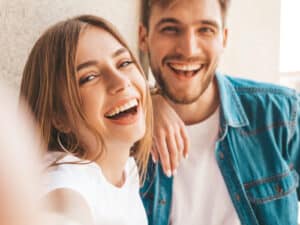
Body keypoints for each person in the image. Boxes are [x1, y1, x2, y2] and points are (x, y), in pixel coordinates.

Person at [138, 0, 300, 225]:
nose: (188, 50)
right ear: (143, 37)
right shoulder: (128, 134)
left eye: (205, 30)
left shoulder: (280, 114)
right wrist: (146, 101)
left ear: (223, 38)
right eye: (170, 28)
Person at [19, 14, 152, 225]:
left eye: (124, 63)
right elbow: (64, 208)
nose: (121, 81)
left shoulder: (126, 169)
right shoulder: (64, 180)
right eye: (89, 77)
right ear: (58, 116)